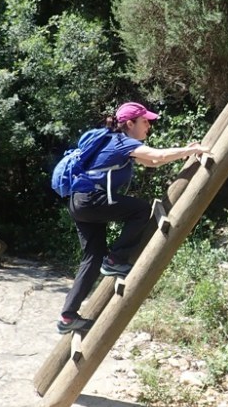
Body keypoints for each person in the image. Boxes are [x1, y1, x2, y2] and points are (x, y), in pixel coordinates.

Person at [57, 101, 209, 334]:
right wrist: (192, 150)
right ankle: (116, 260)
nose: (149, 126)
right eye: (145, 121)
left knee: (93, 256)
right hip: (90, 200)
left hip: (79, 203)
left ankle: (67, 316)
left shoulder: (113, 142)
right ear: (130, 123)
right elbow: (157, 155)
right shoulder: (121, 143)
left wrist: (184, 153)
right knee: (140, 209)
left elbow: (153, 161)